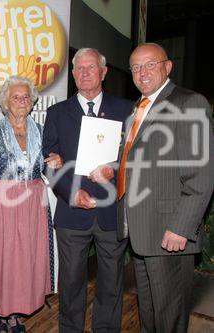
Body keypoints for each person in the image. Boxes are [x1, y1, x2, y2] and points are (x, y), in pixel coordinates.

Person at [117, 42, 214, 332]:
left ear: (168, 66)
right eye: (135, 67)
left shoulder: (188, 103)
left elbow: (202, 174)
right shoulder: (138, 108)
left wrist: (181, 227)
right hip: (143, 231)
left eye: (150, 64)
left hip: (168, 232)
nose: (142, 72)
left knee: (170, 317)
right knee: (150, 313)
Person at [42, 48, 133, 332]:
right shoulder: (57, 112)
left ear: (104, 72)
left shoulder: (126, 109)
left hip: (111, 212)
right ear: (73, 73)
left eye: (90, 67)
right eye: (78, 68)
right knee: (70, 283)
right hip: (72, 213)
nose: (83, 73)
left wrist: (115, 169)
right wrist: (70, 193)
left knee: (111, 282)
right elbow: (49, 161)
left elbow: (136, 156)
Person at [0, 75, 61, 333]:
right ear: (5, 102)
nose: (22, 101)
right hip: (1, 202)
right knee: (3, 258)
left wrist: (57, 161)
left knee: (24, 259)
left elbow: (52, 167)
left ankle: (15, 313)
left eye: (26, 96)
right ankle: (0, 314)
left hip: (34, 204)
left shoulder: (42, 130)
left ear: (33, 101)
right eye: (16, 97)